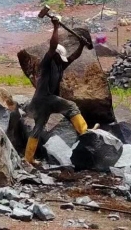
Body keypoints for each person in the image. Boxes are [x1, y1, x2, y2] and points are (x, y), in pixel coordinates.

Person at [21, 15, 93, 164]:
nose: (62, 60)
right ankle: (85, 133)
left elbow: (73, 57)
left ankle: (28, 159)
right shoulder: (47, 62)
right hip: (44, 98)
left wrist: (81, 45)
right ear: (55, 56)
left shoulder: (60, 65)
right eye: (60, 57)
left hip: (42, 102)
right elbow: (53, 46)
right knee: (72, 106)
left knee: (38, 128)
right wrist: (55, 27)